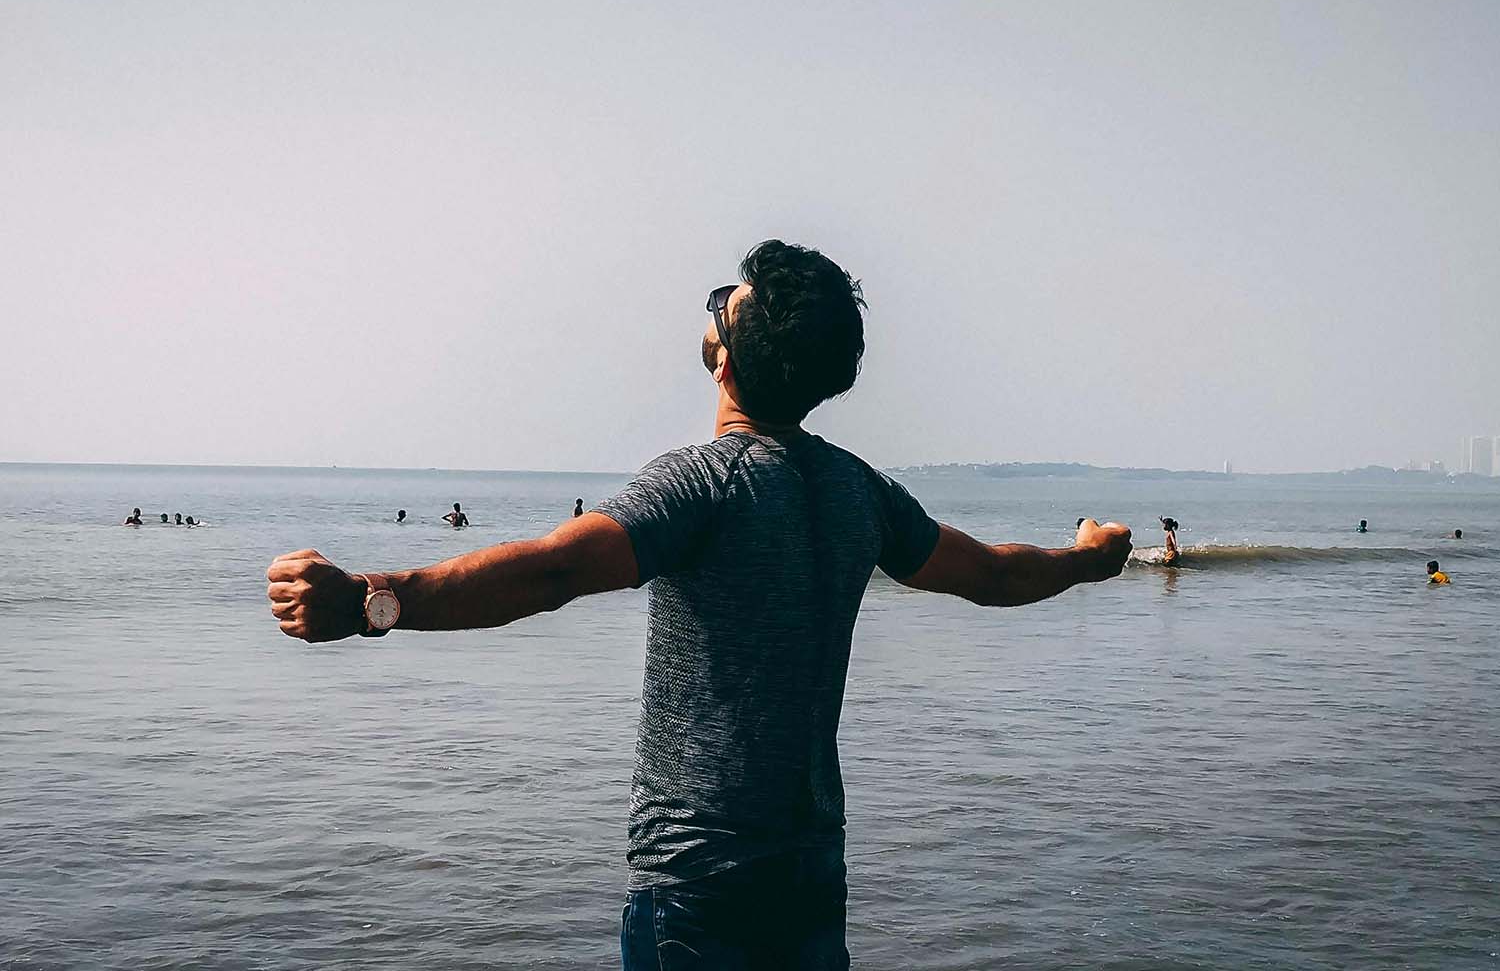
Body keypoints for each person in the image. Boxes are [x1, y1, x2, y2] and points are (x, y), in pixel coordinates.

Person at [264, 239, 1133, 968]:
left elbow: (554, 572)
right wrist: (1087, 559)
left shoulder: (704, 483)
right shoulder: (858, 493)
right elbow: (993, 575)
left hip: (698, 882)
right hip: (810, 870)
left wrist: (372, 601)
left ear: (723, 357)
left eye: (726, 306)